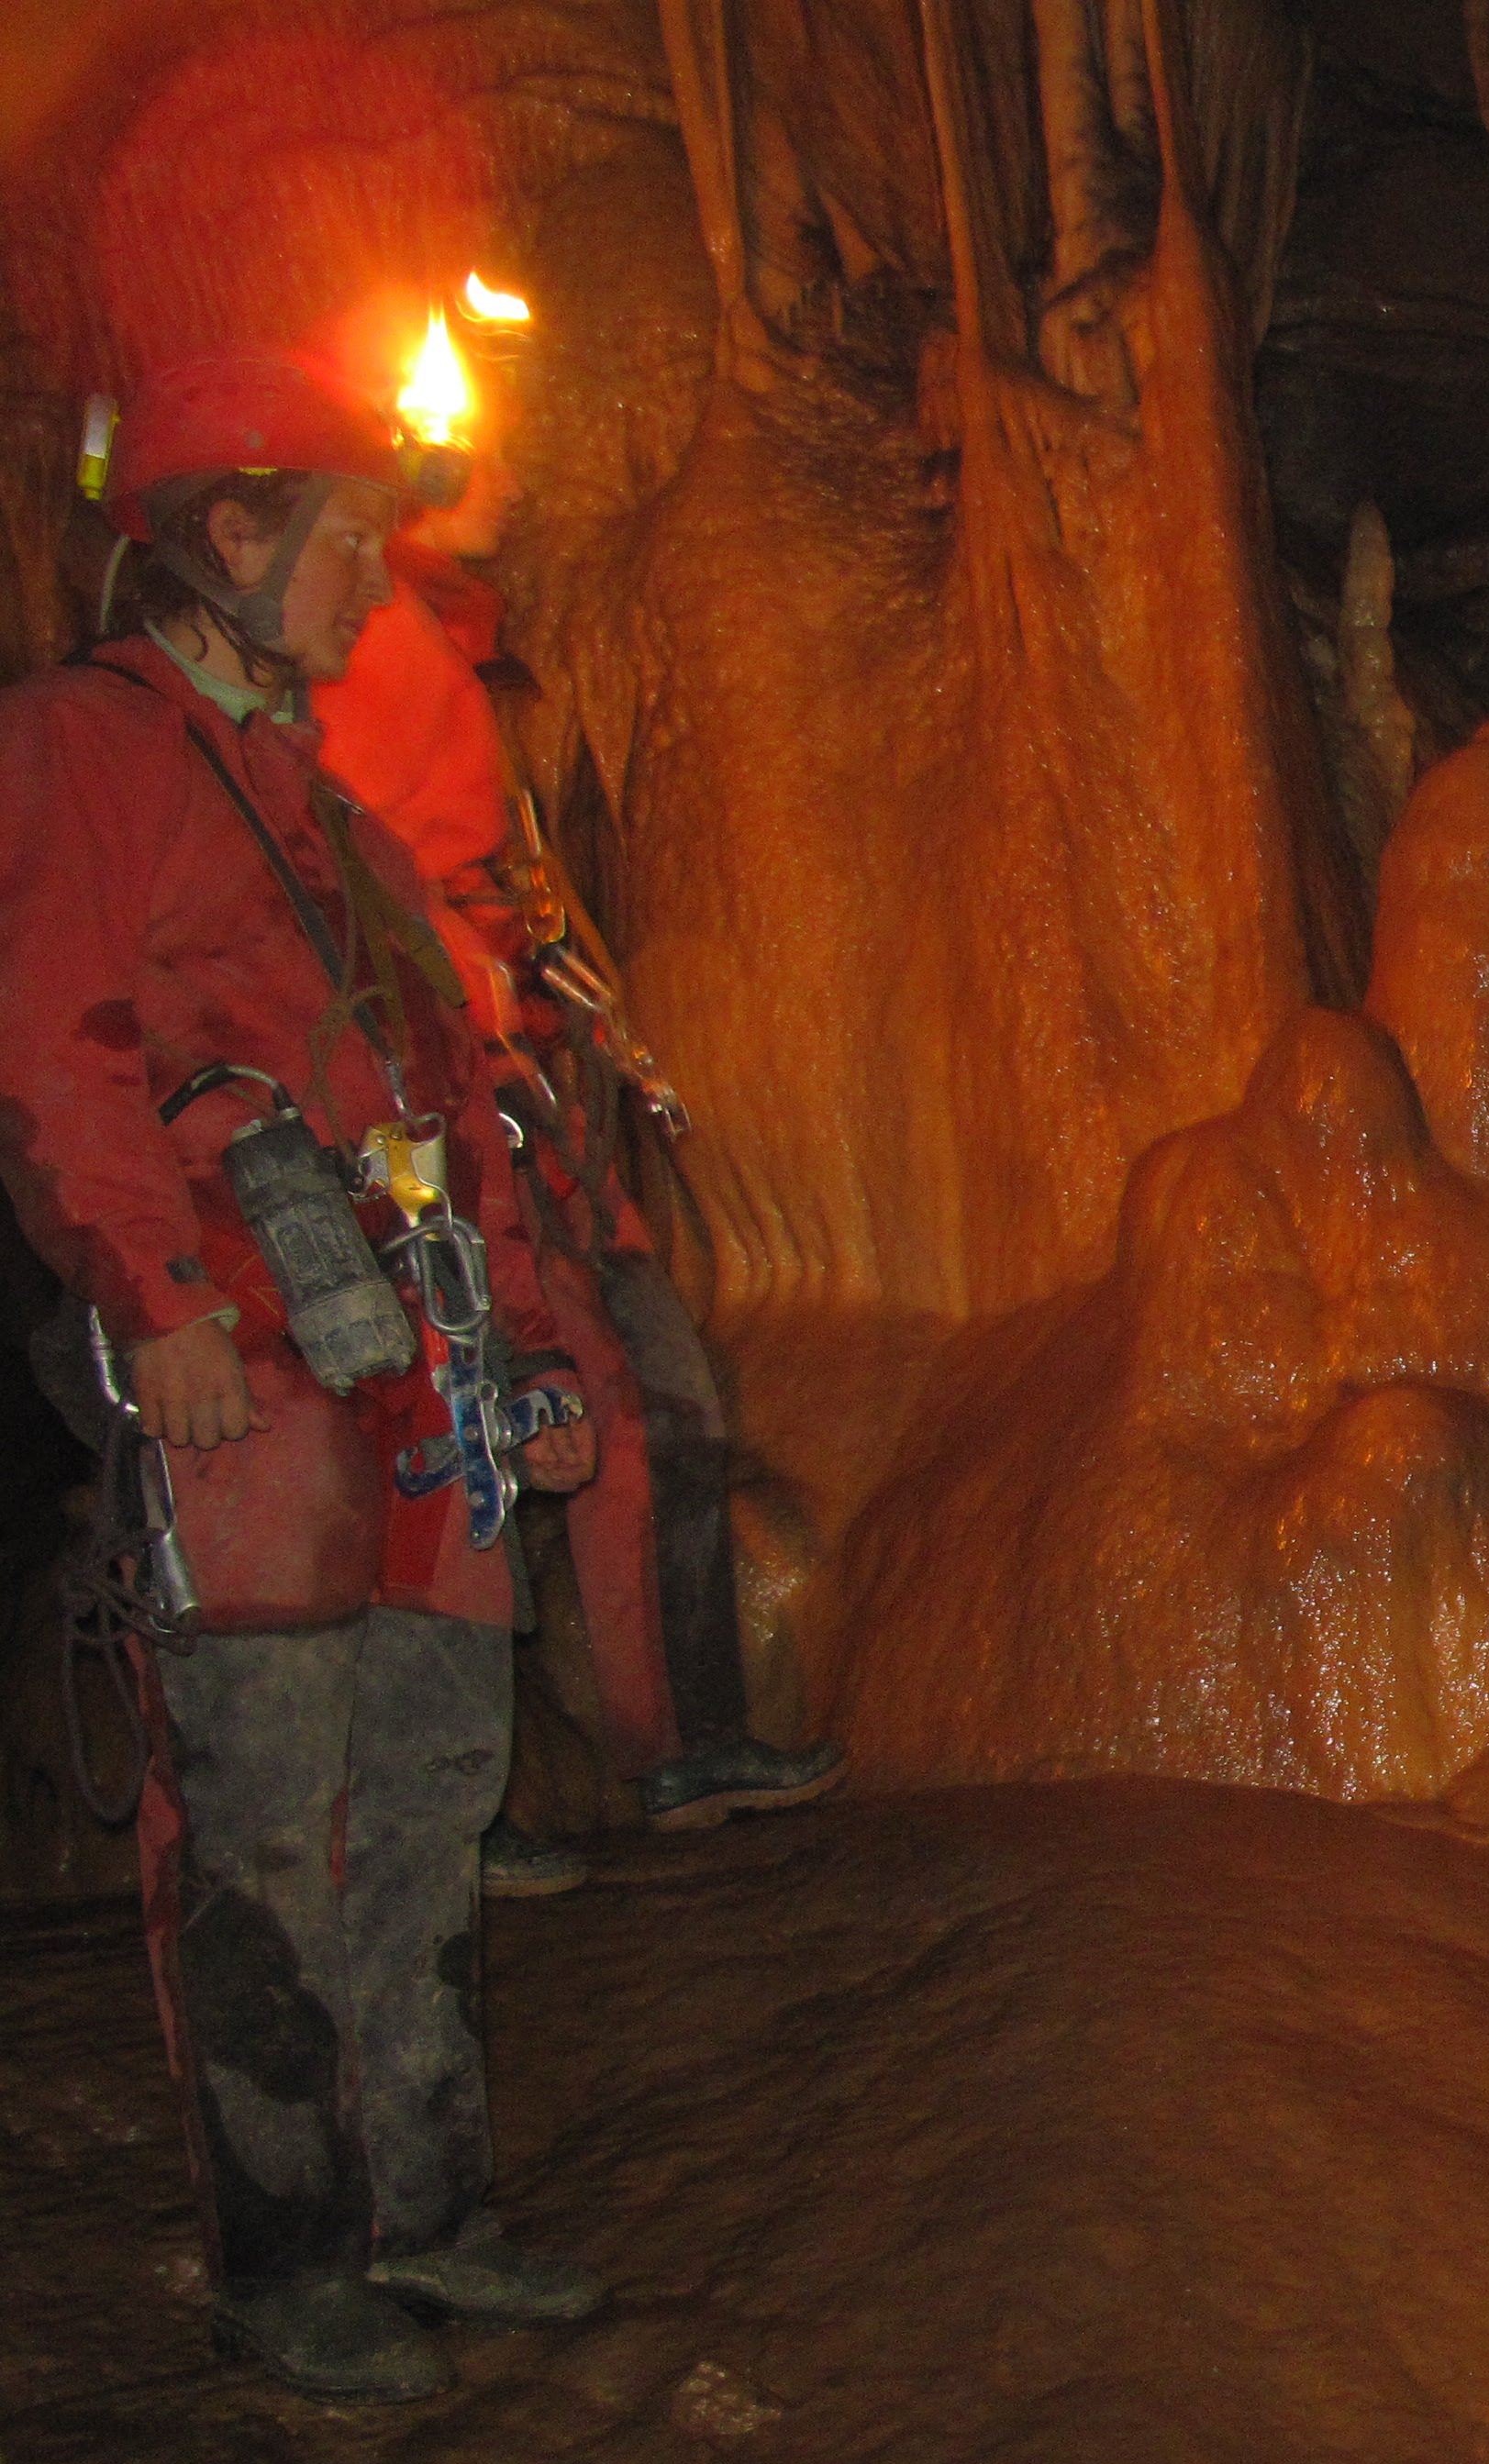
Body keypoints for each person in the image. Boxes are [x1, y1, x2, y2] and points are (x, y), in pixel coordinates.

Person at [0, 351, 607, 2402]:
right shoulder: (88, 745)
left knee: (436, 1784)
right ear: (229, 533)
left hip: (413, 1362)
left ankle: (430, 2216)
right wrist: (154, 1297)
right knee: (269, 1805)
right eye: (352, 541)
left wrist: (521, 1338)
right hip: (246, 1360)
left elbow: (448, 1083)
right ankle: (286, 2253)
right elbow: (55, 1038)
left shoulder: (323, 813)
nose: (379, 589)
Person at [311, 377, 844, 1885]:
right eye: (459, 455)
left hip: (529, 1102)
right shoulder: (360, 652)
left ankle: (679, 1743)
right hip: (436, 1108)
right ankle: (439, 1812)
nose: (500, 473)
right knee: (474, 1430)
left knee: (664, 1400)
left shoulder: (453, 662)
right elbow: (342, 866)